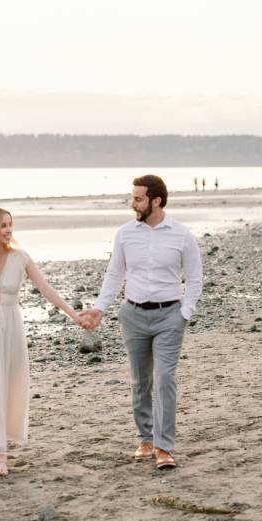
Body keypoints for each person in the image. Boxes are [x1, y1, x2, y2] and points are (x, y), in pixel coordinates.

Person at [0, 208, 86, 476]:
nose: (9, 230)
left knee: (7, 385)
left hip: (10, 328)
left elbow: (46, 288)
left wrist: (74, 315)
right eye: (3, 226)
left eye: (10, 225)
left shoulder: (21, 258)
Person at [80, 175, 202, 469]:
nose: (132, 203)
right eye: (132, 197)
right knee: (140, 382)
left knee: (164, 380)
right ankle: (145, 438)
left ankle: (163, 446)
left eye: (137, 198)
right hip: (132, 315)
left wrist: (184, 313)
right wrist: (99, 308)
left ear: (155, 201)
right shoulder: (125, 234)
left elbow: (195, 278)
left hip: (169, 316)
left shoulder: (182, 235)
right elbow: (114, 274)